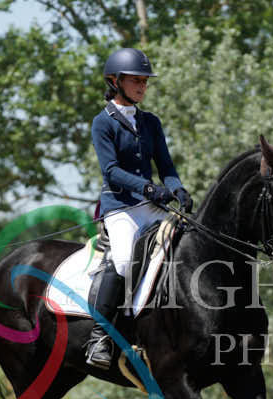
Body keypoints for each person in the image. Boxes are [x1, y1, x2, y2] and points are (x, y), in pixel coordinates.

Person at [85, 47, 193, 368]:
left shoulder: (150, 122)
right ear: (115, 81)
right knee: (122, 261)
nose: (142, 86)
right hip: (120, 207)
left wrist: (178, 189)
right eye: (136, 80)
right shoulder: (102, 123)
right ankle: (99, 337)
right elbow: (111, 171)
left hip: (150, 205)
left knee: (185, 246)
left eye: (145, 81)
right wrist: (147, 187)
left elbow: (166, 166)